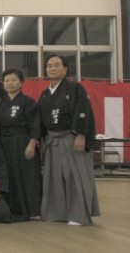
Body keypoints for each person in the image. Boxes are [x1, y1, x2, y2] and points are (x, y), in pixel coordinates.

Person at [38, 55, 100, 226]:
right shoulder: (44, 94)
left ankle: (77, 215)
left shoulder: (75, 88)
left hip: (71, 138)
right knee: (54, 178)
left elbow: (83, 111)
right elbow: (42, 120)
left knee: (75, 176)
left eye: (57, 65)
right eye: (49, 66)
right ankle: (57, 213)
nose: (52, 68)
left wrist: (80, 134)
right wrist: (42, 138)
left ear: (65, 69)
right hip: (52, 139)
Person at [0, 69, 42, 221]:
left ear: (21, 83)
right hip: (4, 144)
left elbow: (35, 124)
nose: (10, 83)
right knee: (10, 175)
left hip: (23, 142)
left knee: (27, 176)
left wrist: (32, 143)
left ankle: (31, 210)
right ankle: (12, 208)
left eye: (13, 80)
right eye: (7, 80)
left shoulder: (28, 102)